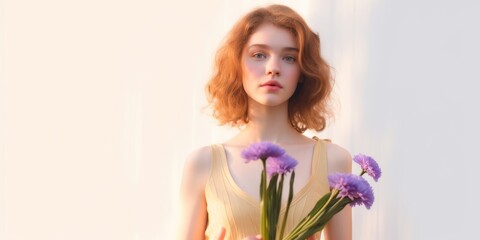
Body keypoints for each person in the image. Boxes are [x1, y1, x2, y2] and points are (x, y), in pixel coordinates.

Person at [177, 4, 352, 240]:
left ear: (302, 72)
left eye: (289, 58)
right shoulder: (203, 164)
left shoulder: (333, 160)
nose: (273, 69)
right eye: (259, 55)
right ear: (237, 64)